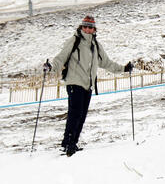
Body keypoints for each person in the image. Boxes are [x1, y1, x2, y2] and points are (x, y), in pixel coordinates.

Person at [43, 16, 133, 156]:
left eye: (90, 27)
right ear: (81, 27)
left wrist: (124, 69)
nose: (88, 29)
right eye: (85, 26)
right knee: (75, 113)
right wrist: (51, 67)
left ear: (94, 29)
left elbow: (107, 63)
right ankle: (68, 144)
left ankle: (71, 143)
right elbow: (61, 57)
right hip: (74, 82)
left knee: (82, 115)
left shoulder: (96, 45)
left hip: (88, 85)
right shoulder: (74, 40)